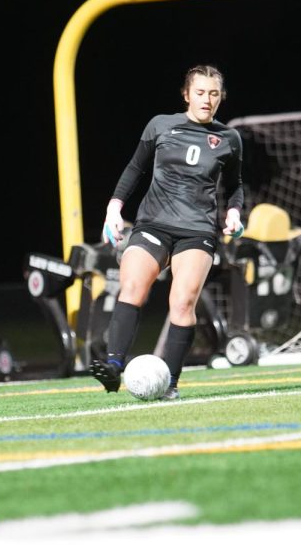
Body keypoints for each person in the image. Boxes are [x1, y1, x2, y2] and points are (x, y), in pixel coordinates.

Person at [91, 63, 244, 400]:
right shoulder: (161, 125)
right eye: (200, 93)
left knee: (183, 301)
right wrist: (114, 207)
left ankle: (170, 384)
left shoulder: (229, 139)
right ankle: (113, 366)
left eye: (214, 94)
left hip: (197, 230)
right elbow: (135, 168)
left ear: (221, 98)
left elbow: (234, 186)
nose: (207, 100)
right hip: (153, 224)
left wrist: (234, 213)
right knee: (132, 285)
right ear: (187, 94)